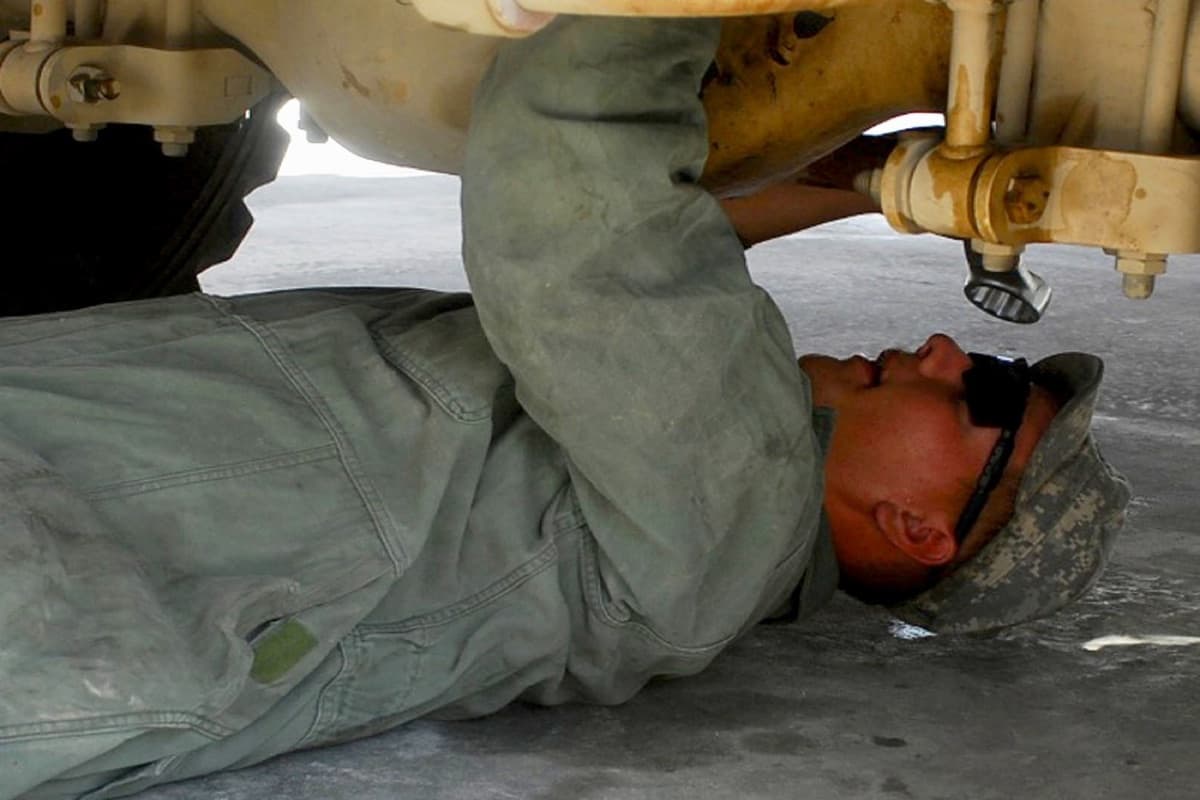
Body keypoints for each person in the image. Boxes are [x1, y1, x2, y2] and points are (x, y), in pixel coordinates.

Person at [0, 16, 1128, 800]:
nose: (941, 347)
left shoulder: (737, 509)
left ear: (923, 528)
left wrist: (683, 10)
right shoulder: (716, 514)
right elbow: (653, 281)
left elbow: (573, 173)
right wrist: (841, 177)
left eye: (984, 391)